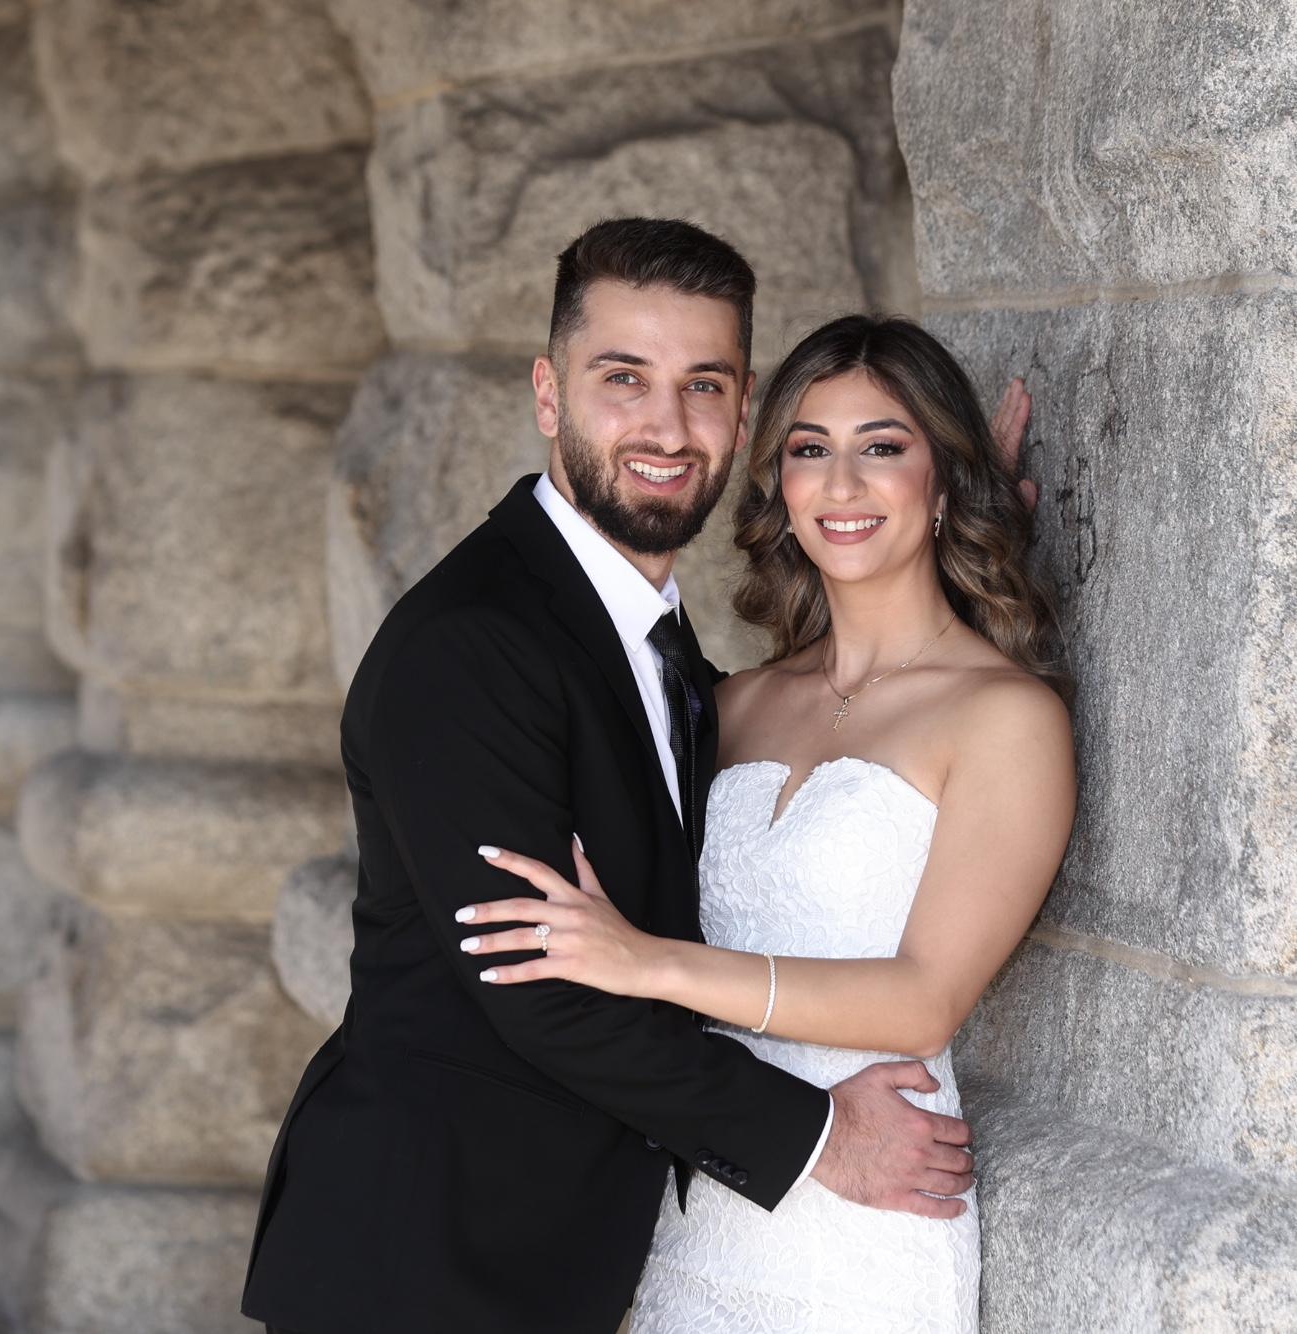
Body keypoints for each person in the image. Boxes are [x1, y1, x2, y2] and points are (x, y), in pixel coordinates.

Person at [241, 221, 1019, 1334]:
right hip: (426, 1261)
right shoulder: (472, 641)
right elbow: (540, 987)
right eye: (623, 379)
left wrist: (944, 531)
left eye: (703, 385)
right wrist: (816, 1135)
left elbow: (853, 718)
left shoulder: (665, 653)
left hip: (594, 1261)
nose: (667, 425)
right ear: (548, 394)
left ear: (740, 414)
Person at [460, 314, 1076, 1331]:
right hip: (697, 1207)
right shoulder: (731, 704)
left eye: (884, 448)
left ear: (943, 482)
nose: (842, 485)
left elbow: (923, 1000)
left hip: (868, 1216)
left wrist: (647, 964)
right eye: (809, 450)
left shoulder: (1003, 717)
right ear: (779, 487)